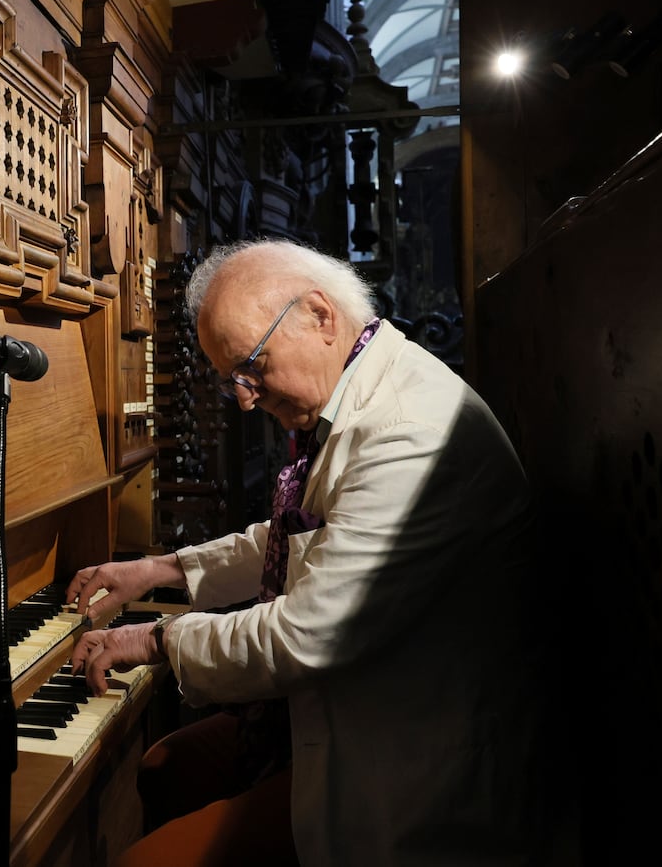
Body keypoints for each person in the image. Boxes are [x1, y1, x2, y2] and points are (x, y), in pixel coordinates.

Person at [68, 239, 562, 866]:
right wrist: (161, 569)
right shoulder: (361, 391)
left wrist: (157, 641)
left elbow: (307, 637)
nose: (245, 398)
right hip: (354, 714)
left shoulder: (408, 430)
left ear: (321, 317)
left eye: (252, 366)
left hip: (415, 772)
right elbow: (297, 536)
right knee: (169, 767)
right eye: (231, 381)